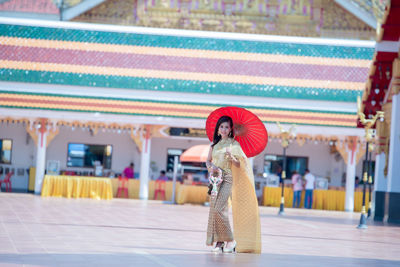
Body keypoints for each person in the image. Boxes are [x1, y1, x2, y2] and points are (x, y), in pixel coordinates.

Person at [206, 115, 261, 254]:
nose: (224, 129)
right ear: (218, 129)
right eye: (221, 127)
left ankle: (231, 240)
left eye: (226, 127)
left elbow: (239, 164)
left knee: (219, 209)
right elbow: (208, 161)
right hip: (215, 180)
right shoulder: (214, 145)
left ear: (230, 129)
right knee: (216, 211)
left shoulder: (233, 144)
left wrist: (232, 157)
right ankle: (219, 242)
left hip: (227, 178)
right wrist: (210, 167)